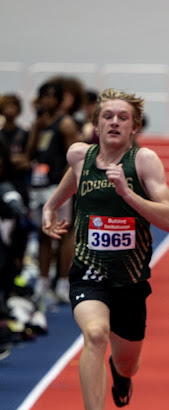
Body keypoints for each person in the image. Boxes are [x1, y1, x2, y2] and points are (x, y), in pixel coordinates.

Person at [41, 88, 169, 410]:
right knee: (96, 334)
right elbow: (71, 181)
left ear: (134, 127)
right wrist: (50, 208)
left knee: (128, 361)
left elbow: (168, 218)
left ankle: (121, 374)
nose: (114, 122)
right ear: (96, 124)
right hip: (88, 271)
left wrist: (127, 193)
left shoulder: (143, 161)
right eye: (108, 116)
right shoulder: (79, 156)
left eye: (123, 117)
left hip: (130, 278)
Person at [26, 79, 81, 305]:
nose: (48, 101)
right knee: (43, 233)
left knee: (64, 232)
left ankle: (63, 283)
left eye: (52, 96)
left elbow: (75, 157)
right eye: (44, 96)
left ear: (59, 100)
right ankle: (43, 282)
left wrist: (65, 189)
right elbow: (30, 153)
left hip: (57, 185)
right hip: (39, 184)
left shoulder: (65, 123)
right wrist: (36, 127)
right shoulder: (41, 123)